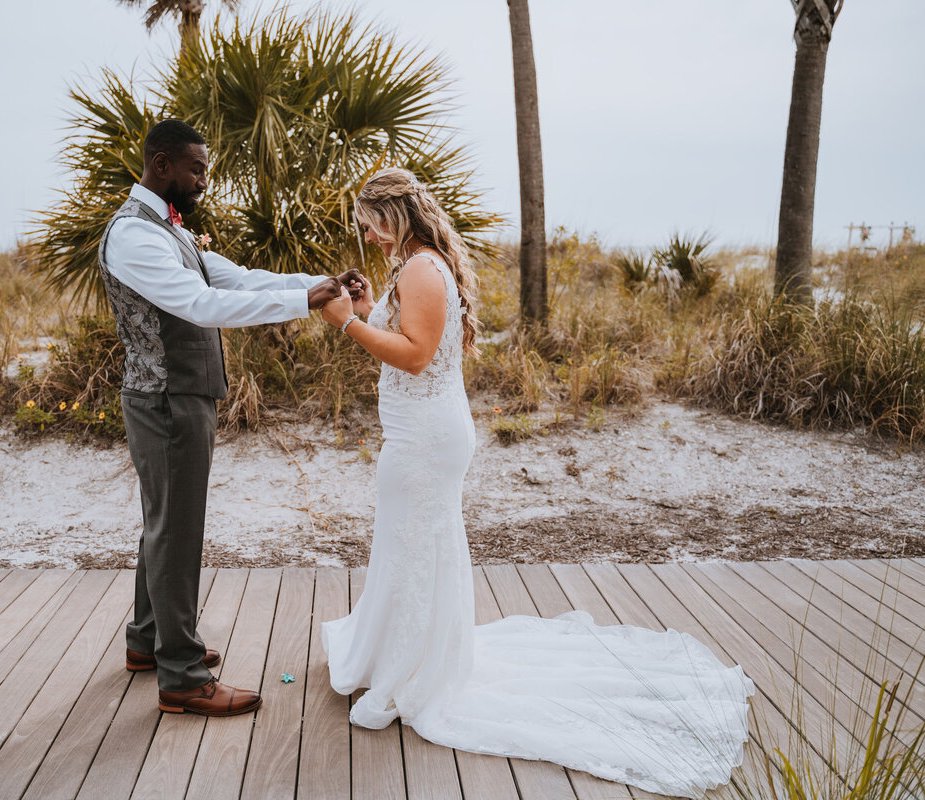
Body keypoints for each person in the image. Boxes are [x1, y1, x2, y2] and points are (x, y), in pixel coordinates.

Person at [318, 167, 756, 797]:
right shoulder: (416, 265)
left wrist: (346, 323)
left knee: (417, 546)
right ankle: (401, 654)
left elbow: (415, 357)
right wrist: (366, 308)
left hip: (426, 440)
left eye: (371, 225)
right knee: (411, 545)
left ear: (394, 215)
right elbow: (412, 339)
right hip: (421, 434)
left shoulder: (419, 269)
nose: (370, 237)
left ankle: (409, 675)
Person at [98, 119, 359, 717]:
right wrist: (303, 302)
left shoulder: (167, 230)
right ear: (161, 165)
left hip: (177, 397)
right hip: (166, 401)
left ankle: (148, 642)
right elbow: (201, 304)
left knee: (163, 523)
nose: (203, 180)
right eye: (196, 169)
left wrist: (316, 284)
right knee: (176, 530)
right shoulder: (135, 236)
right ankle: (183, 677)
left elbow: (235, 278)